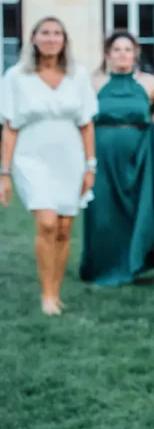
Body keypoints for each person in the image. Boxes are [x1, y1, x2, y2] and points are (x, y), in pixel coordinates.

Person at [0, 17, 97, 315]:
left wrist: (90, 165)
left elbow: (86, 125)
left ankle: (56, 292)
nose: (51, 38)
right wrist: (3, 173)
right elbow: (10, 127)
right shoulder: (16, 77)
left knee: (65, 227)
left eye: (57, 33)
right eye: (45, 33)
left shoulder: (77, 76)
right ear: (34, 38)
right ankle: (46, 296)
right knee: (47, 222)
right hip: (31, 157)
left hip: (70, 157)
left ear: (64, 40)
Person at [80, 31, 154, 286]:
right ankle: (105, 265)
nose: (122, 54)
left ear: (136, 53)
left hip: (141, 155)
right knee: (103, 213)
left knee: (148, 206)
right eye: (117, 49)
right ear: (107, 54)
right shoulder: (93, 83)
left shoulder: (148, 82)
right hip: (102, 157)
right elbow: (79, 116)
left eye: (128, 49)